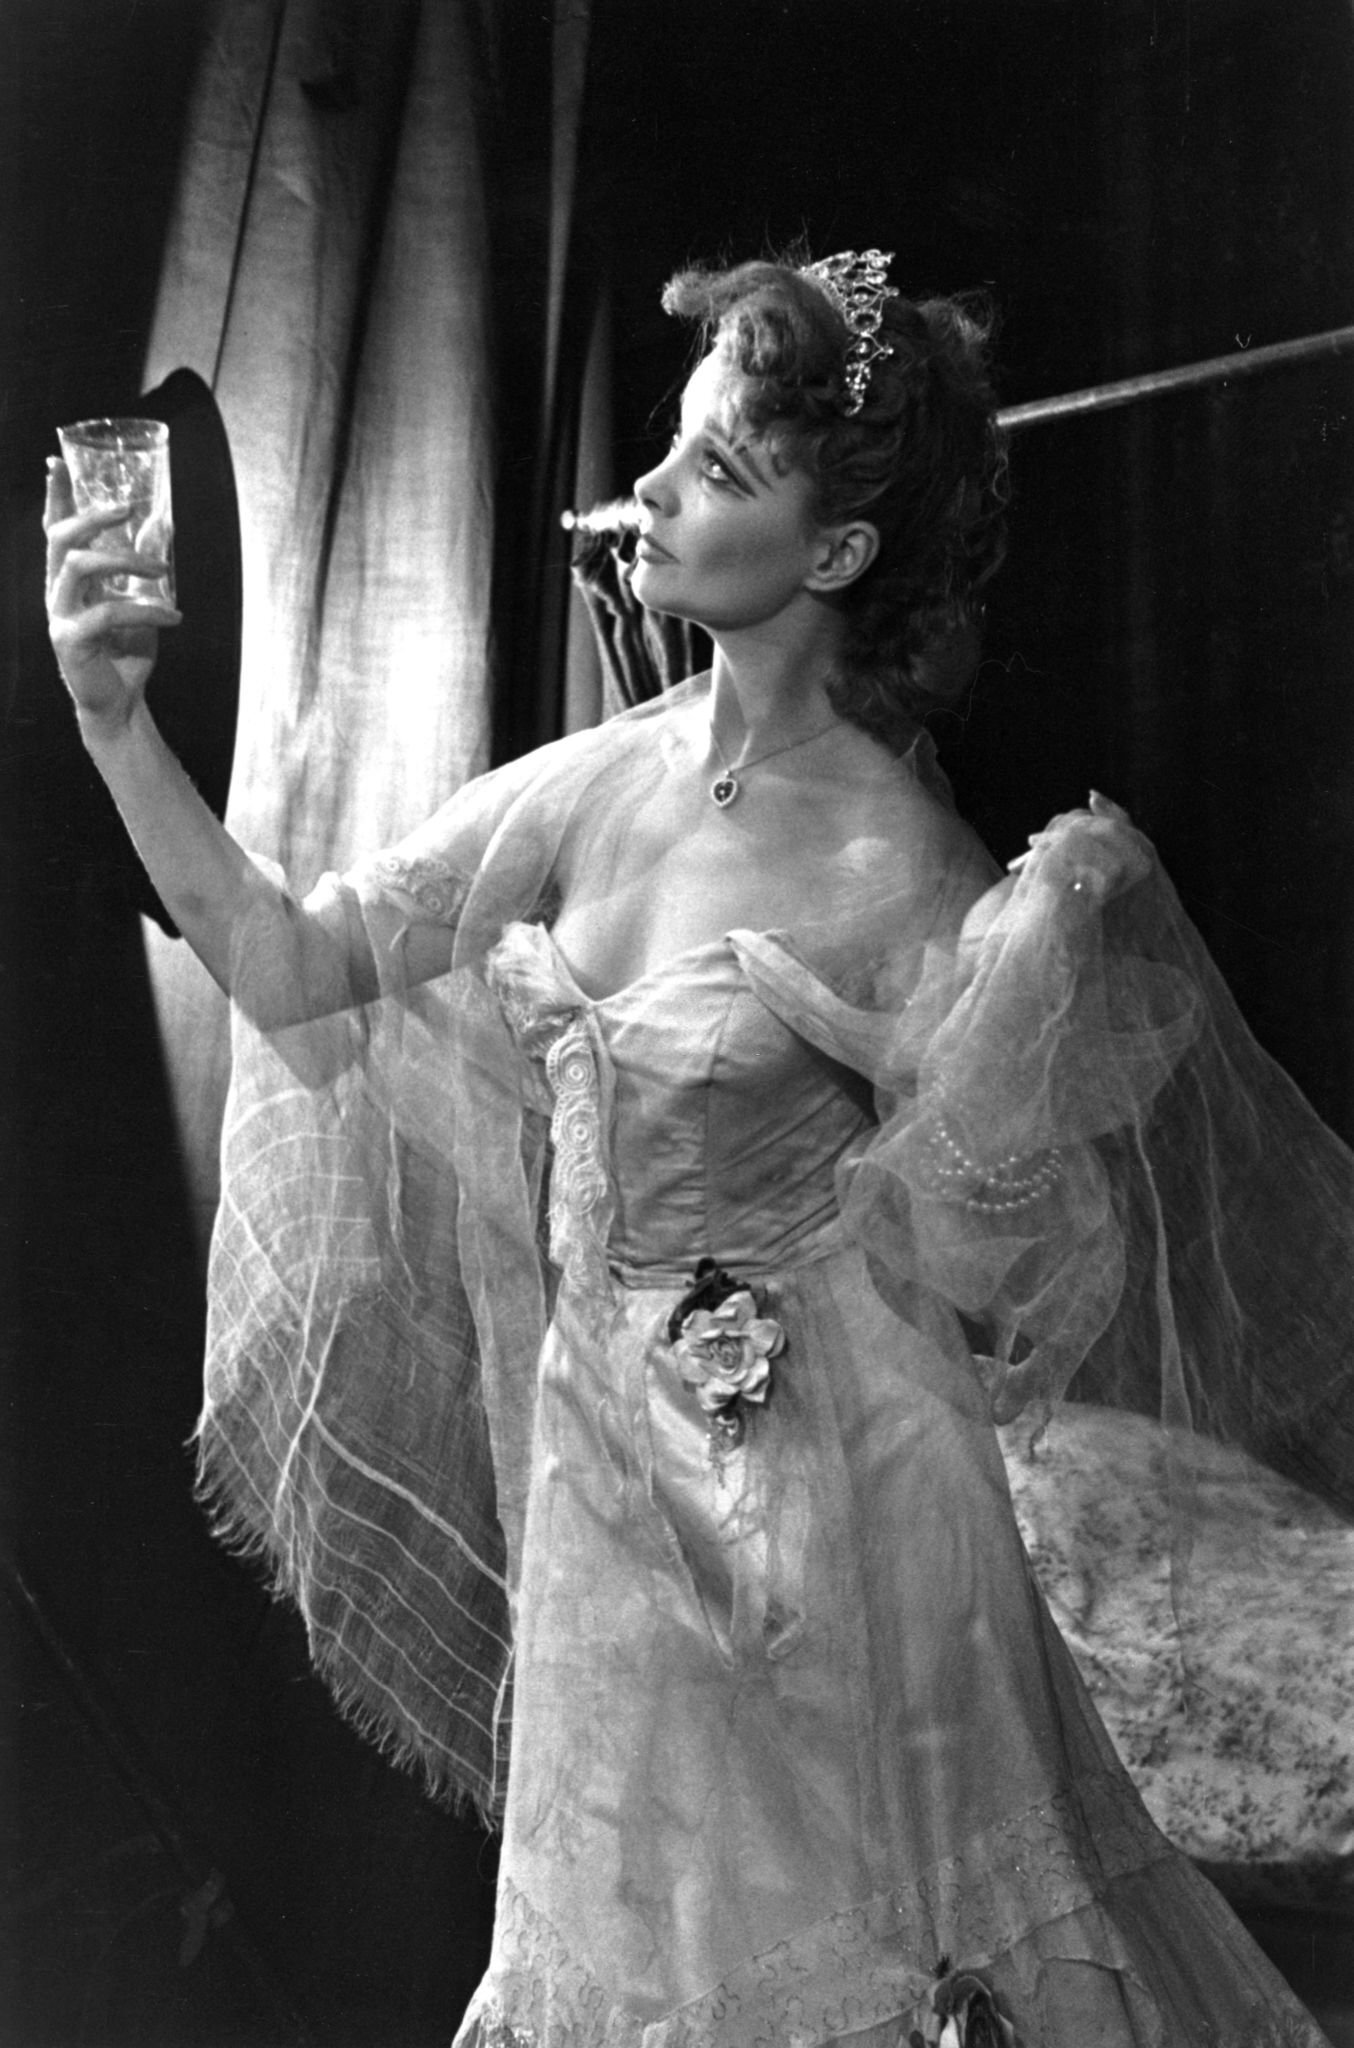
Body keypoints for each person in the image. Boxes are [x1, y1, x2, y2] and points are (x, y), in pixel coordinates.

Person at [45, 250, 1350, 2047]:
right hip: (603, 1490)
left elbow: (994, 1261)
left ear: (834, 552)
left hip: (838, 1525)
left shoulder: (902, 867)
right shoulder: (600, 778)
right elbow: (293, 967)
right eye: (672, 442)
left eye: (717, 468)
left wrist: (1020, 990)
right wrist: (113, 724)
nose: (650, 490)